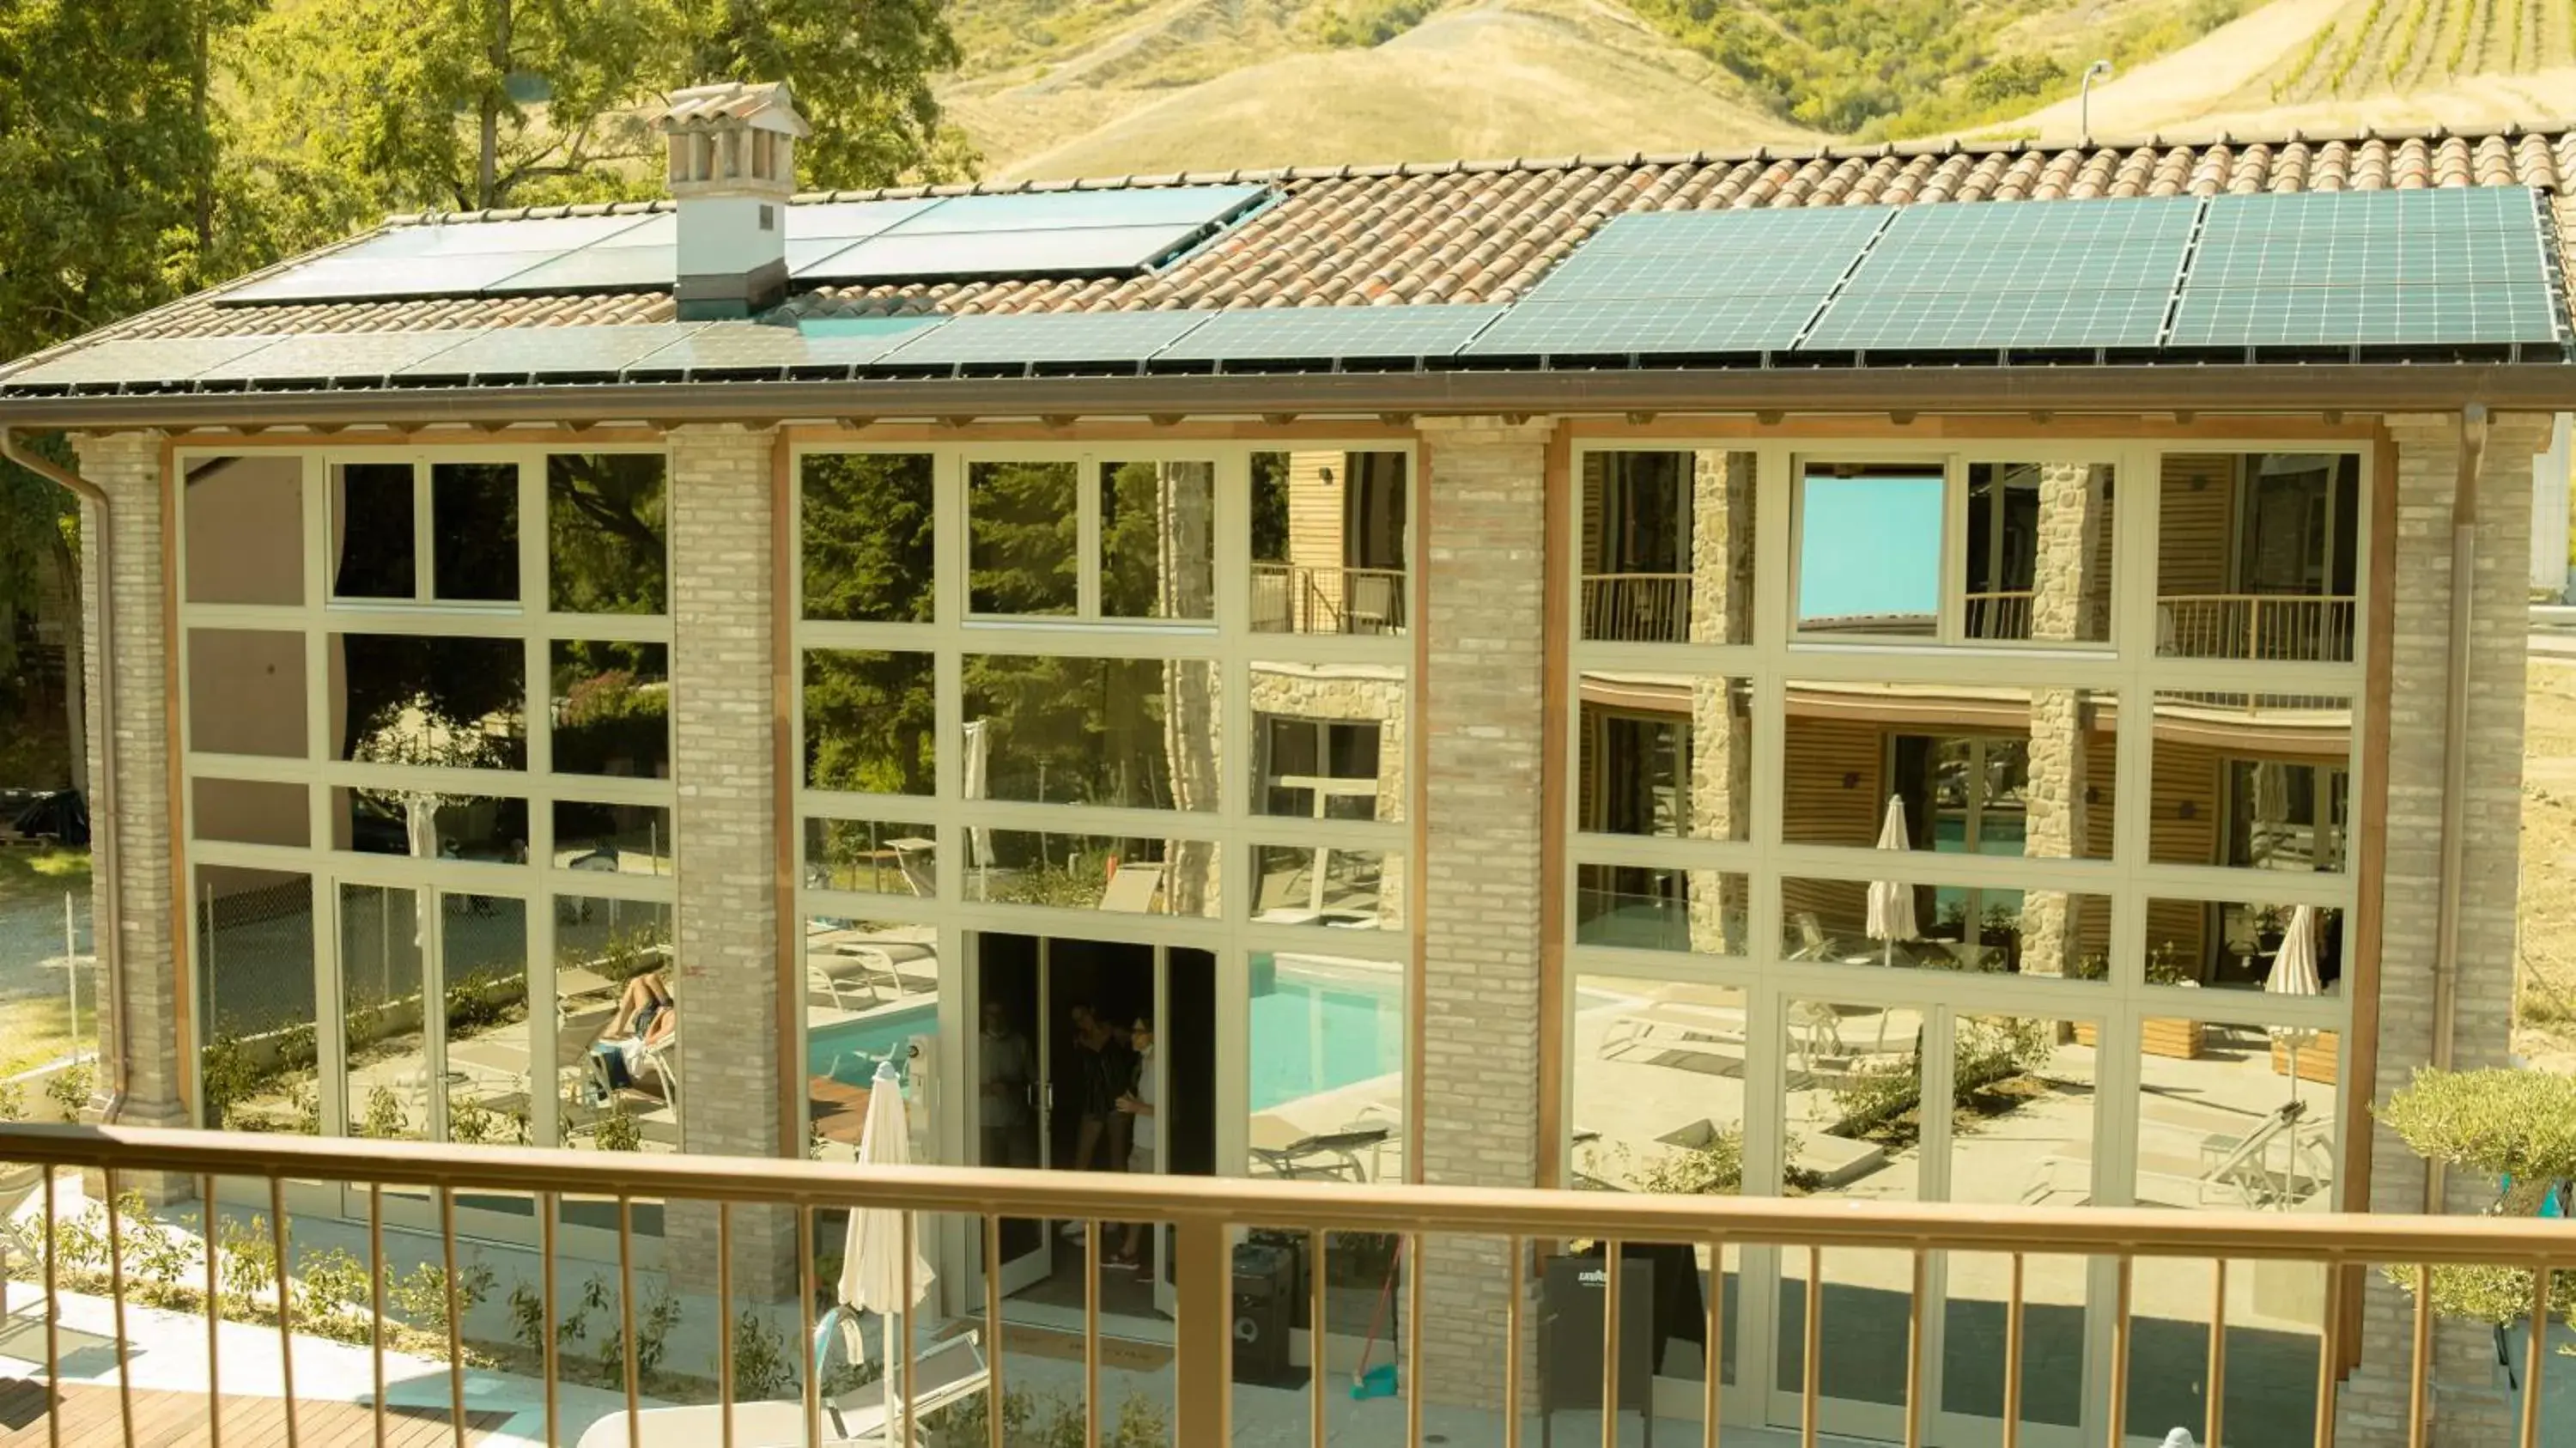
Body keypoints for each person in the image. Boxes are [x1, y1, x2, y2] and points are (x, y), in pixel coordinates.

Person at [1109, 1014, 1157, 1270]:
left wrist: (1135, 1106)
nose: (1133, 1036)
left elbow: (1170, 1110)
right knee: (1137, 1201)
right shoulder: (1145, 1061)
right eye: (1133, 1030)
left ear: (1153, 1034)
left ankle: (1154, 1265)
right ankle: (1131, 1251)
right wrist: (1134, 1102)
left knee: (1150, 1203)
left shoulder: (1160, 1064)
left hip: (1153, 1144)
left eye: (1139, 1031)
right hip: (1141, 1140)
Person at [979, 999, 1036, 1168]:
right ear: (984, 1017)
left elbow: (1035, 1081)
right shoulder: (973, 1044)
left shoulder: (1020, 1043)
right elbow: (958, 1085)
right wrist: (988, 1089)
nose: (995, 1019)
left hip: (1015, 1121)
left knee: (1020, 1175)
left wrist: (1013, 1087)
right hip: (984, 1122)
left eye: (999, 1014)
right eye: (991, 1014)